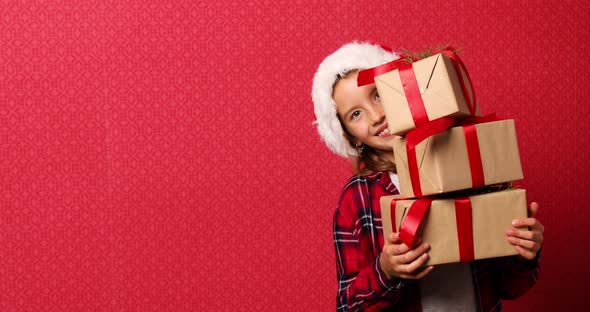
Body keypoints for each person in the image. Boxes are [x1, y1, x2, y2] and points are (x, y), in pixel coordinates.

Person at [311, 42, 544, 312]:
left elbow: (512, 287)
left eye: (377, 95)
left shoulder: (467, 161)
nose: (376, 116)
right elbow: (348, 306)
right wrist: (385, 271)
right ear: (349, 136)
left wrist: (523, 252)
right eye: (356, 114)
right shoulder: (359, 197)